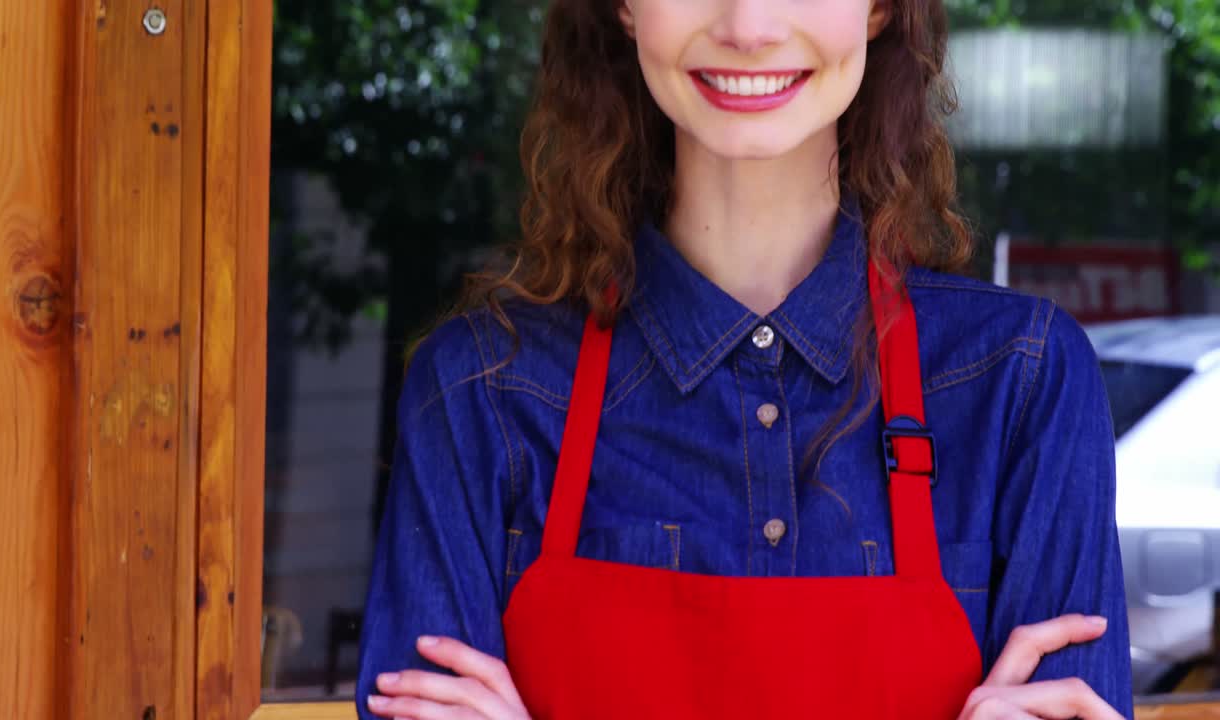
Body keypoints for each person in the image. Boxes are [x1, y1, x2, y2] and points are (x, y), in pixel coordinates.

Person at [355, 0, 1133, 717]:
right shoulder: (482, 390)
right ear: (625, 6)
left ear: (880, 7)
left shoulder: (1021, 379)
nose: (749, 25)